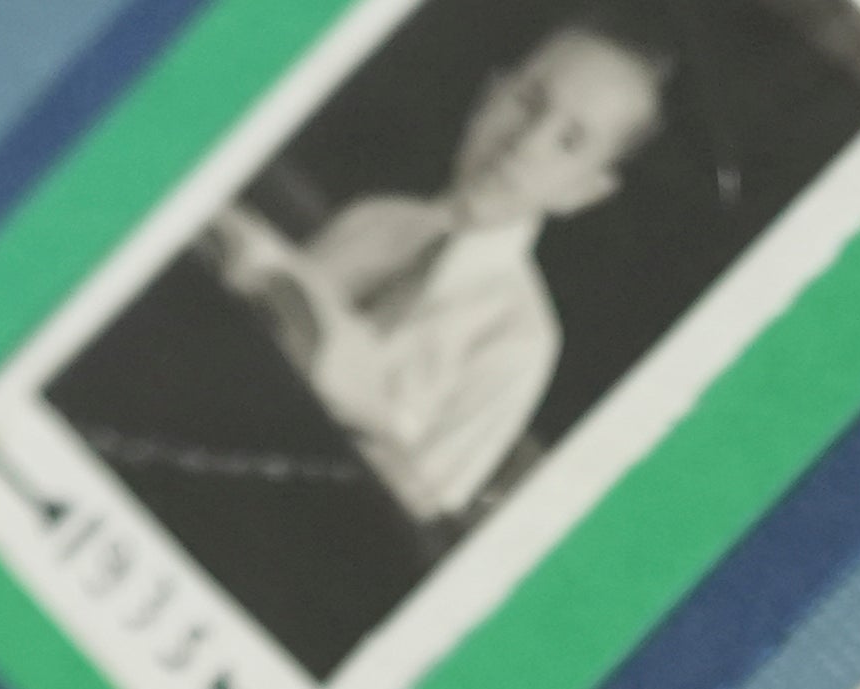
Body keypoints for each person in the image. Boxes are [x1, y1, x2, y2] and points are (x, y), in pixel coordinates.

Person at [206, 20, 670, 527]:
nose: (525, 142)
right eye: (529, 101)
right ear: (488, 97)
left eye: (570, 140)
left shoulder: (518, 338)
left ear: (584, 191)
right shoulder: (374, 218)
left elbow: (417, 516)